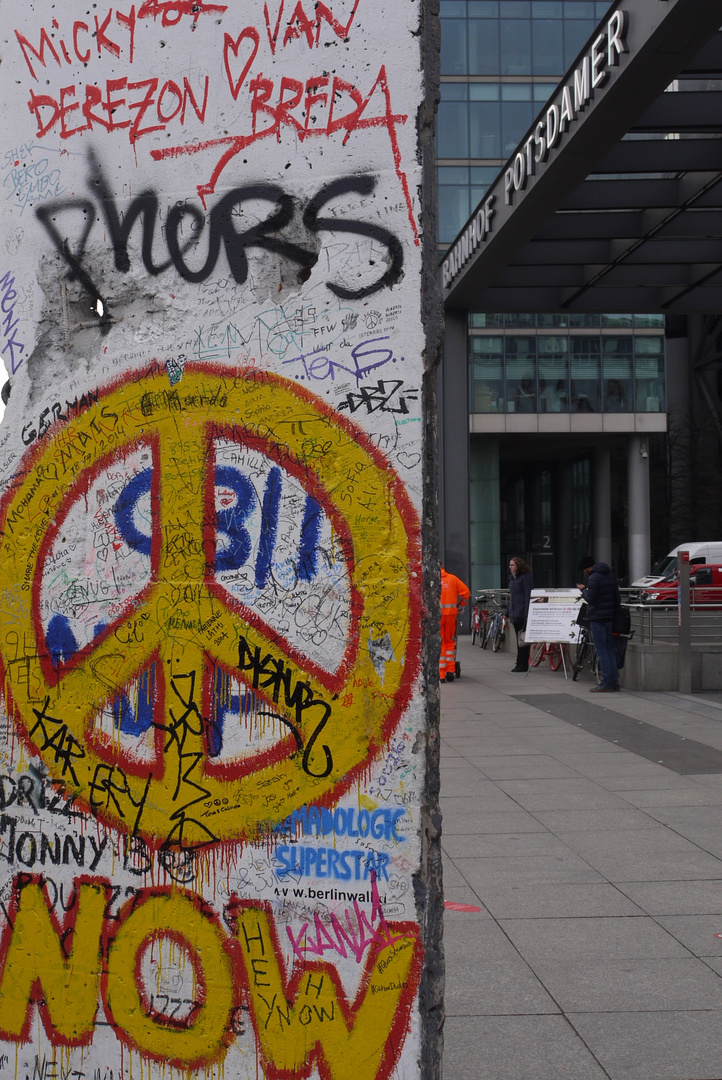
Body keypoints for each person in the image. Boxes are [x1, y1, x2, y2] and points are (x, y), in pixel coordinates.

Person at [578, 557, 620, 692]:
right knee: (609, 650)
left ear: (586, 568)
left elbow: (592, 599)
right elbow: (616, 597)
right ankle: (614, 681)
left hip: (598, 617)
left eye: (583, 571)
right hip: (609, 617)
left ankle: (607, 682)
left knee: (602, 651)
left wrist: (583, 590)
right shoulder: (609, 575)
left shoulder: (594, 578)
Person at [440, 568, 470, 683]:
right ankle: (450, 670)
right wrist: (461, 605)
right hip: (451, 615)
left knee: (440, 643)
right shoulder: (452, 579)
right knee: (449, 641)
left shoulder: (431, 580)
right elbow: (466, 593)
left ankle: (441, 674)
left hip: (437, 617)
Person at [508, 556, 533, 672]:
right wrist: (508, 612)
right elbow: (512, 597)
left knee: (522, 640)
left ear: (518, 566)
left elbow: (528, 596)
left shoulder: (525, 578)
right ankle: (520, 662)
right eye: (510, 565)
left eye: (512, 565)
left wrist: (527, 613)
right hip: (515, 612)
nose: (510, 567)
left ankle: (522, 663)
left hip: (522, 613)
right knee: (519, 639)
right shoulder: (513, 579)